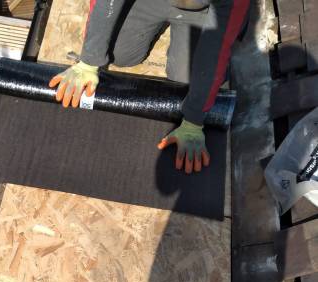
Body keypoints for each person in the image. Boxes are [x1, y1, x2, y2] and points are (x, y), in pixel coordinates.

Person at [49, 0, 249, 174]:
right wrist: (89, 62)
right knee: (119, 55)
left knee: (185, 80)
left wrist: (193, 121)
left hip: (200, 11)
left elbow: (216, 48)